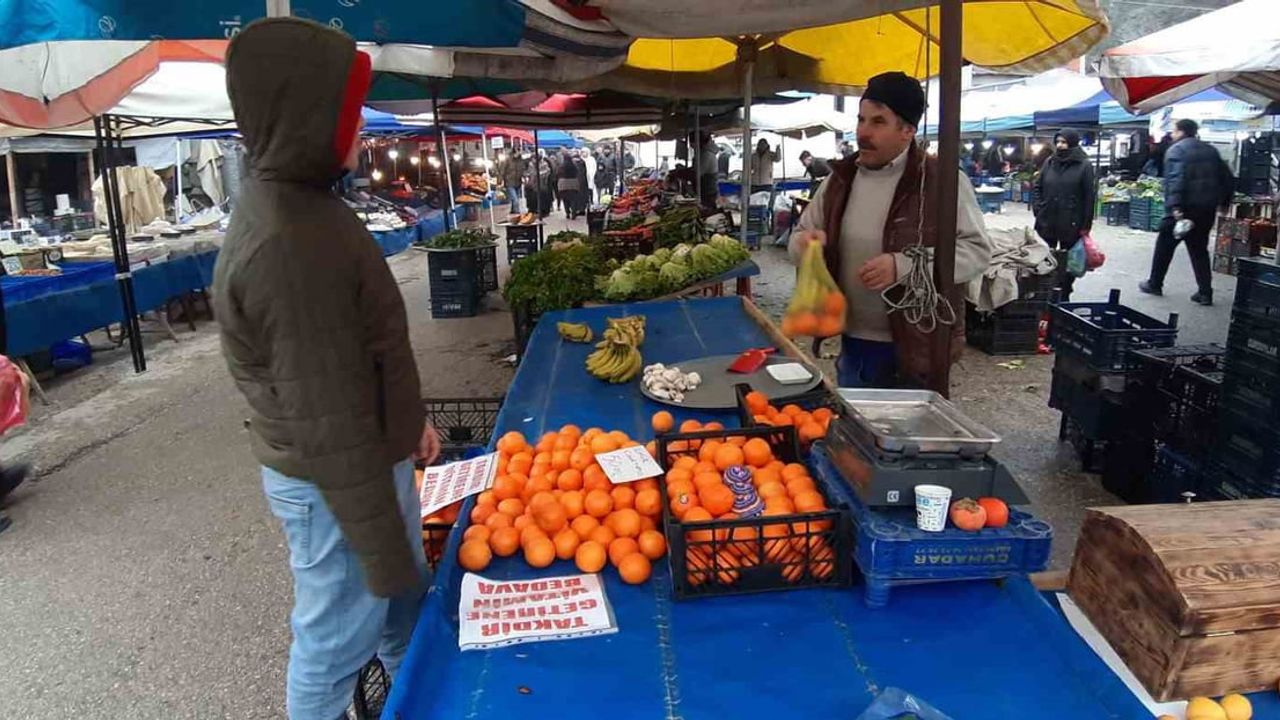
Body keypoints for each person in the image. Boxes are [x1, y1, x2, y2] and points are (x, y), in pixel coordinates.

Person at [214, 18, 440, 720]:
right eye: (346, 112)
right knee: (337, 643)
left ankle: (419, 703)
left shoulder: (306, 203)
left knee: (403, 615)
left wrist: (408, 425)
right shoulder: (287, 245)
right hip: (338, 478)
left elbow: (356, 353)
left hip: (365, 458)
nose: (358, 129)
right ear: (306, 118)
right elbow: (329, 416)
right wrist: (379, 537)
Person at [790, 71, 993, 389]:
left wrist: (905, 266)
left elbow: (977, 251)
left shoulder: (943, 181)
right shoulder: (839, 179)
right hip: (853, 342)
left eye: (878, 122)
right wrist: (804, 243)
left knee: (909, 437)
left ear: (908, 131)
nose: (863, 132)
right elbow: (798, 236)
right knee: (857, 432)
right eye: (861, 119)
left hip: (917, 345)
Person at [1140, 119, 1234, 306]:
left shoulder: (1176, 150)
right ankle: (1205, 292)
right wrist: (1224, 202)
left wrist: (1175, 207)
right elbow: (1228, 178)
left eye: (1174, 131)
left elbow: (1176, 179)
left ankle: (1155, 283)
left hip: (1183, 209)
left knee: (1164, 247)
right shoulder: (1210, 150)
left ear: (1181, 132)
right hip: (1206, 209)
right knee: (1199, 249)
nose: (1172, 135)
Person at [1032, 129, 1096, 301]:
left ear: (1073, 143)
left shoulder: (1084, 165)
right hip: (1047, 218)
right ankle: (1044, 292)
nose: (1060, 145)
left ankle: (1064, 292)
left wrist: (1086, 225)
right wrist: (1038, 208)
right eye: (1058, 141)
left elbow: (1090, 197)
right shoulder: (1050, 162)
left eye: (1064, 142)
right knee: (1043, 256)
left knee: (1069, 262)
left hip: (1071, 221)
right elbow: (1037, 186)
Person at [557, 151, 582, 219]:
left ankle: (567, 213)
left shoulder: (561, 166)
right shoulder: (574, 165)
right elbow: (577, 173)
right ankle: (573, 213)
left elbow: (558, 174)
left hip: (563, 184)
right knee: (573, 200)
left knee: (565, 200)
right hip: (573, 183)